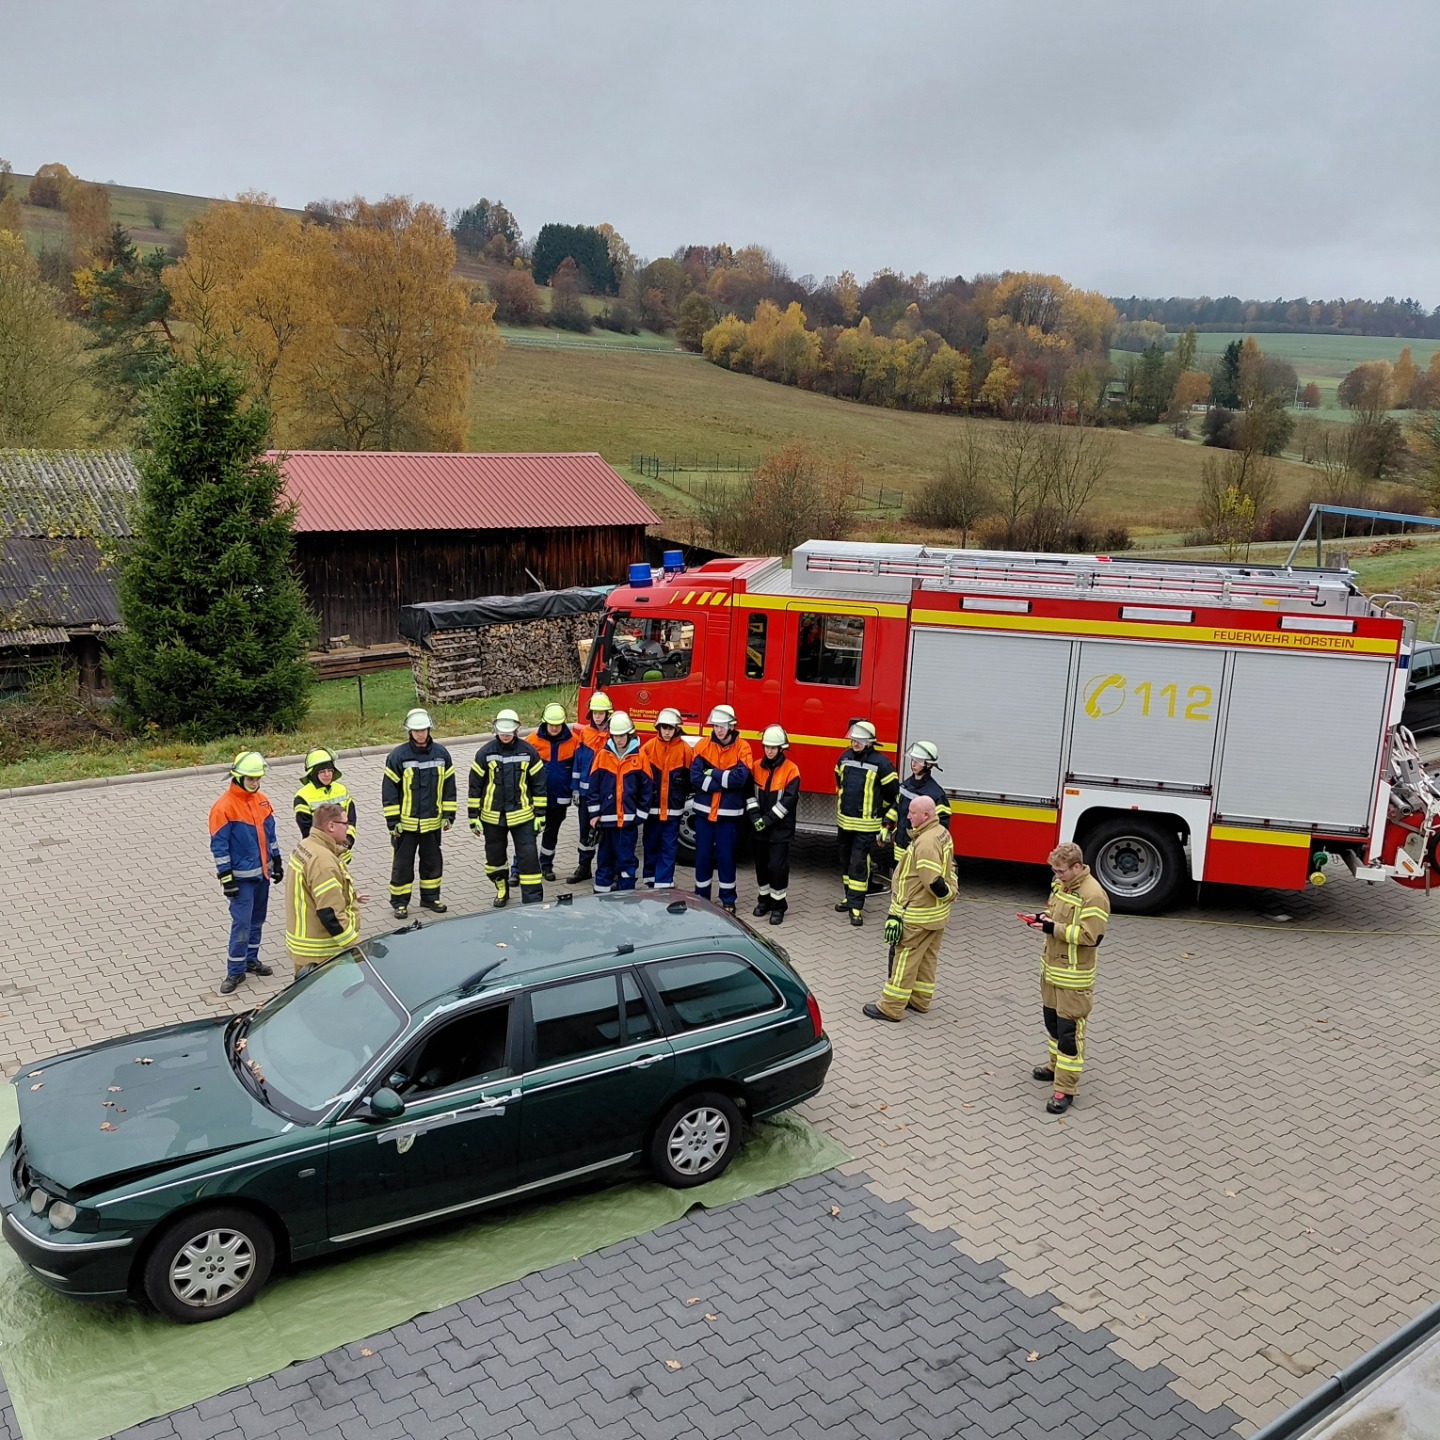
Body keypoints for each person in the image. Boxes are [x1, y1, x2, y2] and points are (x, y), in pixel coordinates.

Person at [1022, 841, 1111, 1114]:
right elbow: (1055, 915)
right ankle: (1054, 1066)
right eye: (1055, 871)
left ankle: (1065, 1089)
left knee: (1069, 1034)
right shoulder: (1063, 885)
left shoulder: (1093, 895)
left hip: (1074, 978)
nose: (1056, 876)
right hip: (1051, 970)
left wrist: (1053, 927)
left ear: (1076, 867)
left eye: (1061, 871)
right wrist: (1042, 919)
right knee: (1052, 1024)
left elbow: (1090, 936)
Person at [864, 795, 955, 1023]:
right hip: (935, 914)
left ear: (926, 815)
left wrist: (948, 894)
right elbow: (950, 868)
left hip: (917, 914)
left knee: (905, 958)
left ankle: (891, 1007)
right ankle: (920, 1000)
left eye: (912, 813)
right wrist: (949, 896)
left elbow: (933, 881)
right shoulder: (942, 833)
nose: (907, 816)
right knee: (927, 958)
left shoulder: (925, 843)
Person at [208, 751, 282, 995]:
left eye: (258, 778)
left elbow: (270, 836)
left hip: (262, 874)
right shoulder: (224, 807)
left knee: (257, 919)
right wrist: (226, 878)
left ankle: (251, 959)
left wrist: (277, 861)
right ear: (238, 778)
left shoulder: (262, 801)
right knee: (241, 922)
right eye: (251, 778)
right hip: (241, 879)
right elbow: (219, 847)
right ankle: (235, 971)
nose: (255, 783)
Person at [381, 708, 456, 918]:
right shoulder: (398, 756)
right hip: (406, 825)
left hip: (432, 823)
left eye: (423, 730)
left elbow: (449, 788)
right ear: (409, 732)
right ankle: (399, 902)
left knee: (432, 862)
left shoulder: (442, 755)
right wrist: (392, 821)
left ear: (429, 729)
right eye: (416, 730)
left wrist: (449, 815)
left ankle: (430, 898)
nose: (420, 734)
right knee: (402, 865)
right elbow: (389, 791)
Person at [469, 708, 547, 907]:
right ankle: (502, 889)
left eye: (508, 731)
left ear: (517, 730)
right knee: (495, 859)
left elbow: (539, 784)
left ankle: (533, 901)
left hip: (522, 816)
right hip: (492, 817)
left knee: (528, 859)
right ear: (496, 731)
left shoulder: (528, 752)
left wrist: (540, 814)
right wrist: (473, 816)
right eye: (502, 732)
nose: (505, 735)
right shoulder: (485, 753)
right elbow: (475, 786)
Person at [285, 801, 365, 975]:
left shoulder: (306, 846)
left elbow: (314, 890)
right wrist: (357, 947)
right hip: (323, 953)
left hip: (304, 947)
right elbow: (330, 914)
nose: (348, 828)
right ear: (330, 826)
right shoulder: (323, 862)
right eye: (345, 823)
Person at [834, 719, 898, 927]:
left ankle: (856, 907)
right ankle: (848, 896)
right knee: (845, 861)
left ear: (870, 742)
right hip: (845, 822)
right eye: (854, 739)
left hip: (866, 825)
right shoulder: (844, 758)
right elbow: (839, 781)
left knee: (859, 864)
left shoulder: (882, 763)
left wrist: (881, 815)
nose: (855, 743)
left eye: (860, 740)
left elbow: (892, 793)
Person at [689, 704, 753, 915]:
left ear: (732, 725)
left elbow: (741, 779)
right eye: (716, 725)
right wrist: (724, 782)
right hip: (704, 813)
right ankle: (701, 897)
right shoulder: (702, 745)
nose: (719, 730)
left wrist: (713, 773)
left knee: (726, 858)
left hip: (728, 816)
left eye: (723, 726)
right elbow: (695, 777)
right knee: (703, 857)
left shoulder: (743, 747)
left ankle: (728, 900)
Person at [587, 711, 651, 893]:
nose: (619, 740)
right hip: (606, 822)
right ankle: (601, 895)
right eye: (616, 736)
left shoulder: (640, 758)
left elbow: (647, 789)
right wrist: (594, 814)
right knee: (605, 860)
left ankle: (626, 898)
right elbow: (593, 788)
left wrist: (640, 815)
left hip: (628, 822)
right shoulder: (602, 756)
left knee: (627, 861)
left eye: (622, 735)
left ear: (629, 734)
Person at [746, 724, 802, 926]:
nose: (769, 751)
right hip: (759, 828)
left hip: (780, 830)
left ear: (781, 748)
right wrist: (754, 817)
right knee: (761, 866)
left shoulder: (791, 770)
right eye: (766, 747)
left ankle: (779, 906)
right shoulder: (755, 766)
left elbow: (788, 801)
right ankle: (764, 901)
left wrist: (766, 820)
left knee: (776, 867)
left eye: (773, 747)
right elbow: (749, 794)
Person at [875, 741, 950, 884]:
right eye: (913, 759)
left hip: (919, 852)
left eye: (918, 761)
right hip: (900, 849)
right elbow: (895, 810)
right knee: (899, 886)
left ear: (928, 765)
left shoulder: (935, 795)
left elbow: (941, 826)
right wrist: (885, 828)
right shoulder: (905, 786)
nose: (913, 764)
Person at [639, 708, 691, 890]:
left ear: (677, 728)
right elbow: (640, 779)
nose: (667, 731)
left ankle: (664, 884)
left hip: (673, 812)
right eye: (664, 728)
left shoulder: (685, 750)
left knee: (669, 849)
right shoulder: (648, 748)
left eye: (670, 728)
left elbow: (691, 780)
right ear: (658, 728)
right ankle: (649, 880)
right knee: (650, 845)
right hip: (652, 811)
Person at [528, 703, 579, 883]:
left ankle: (546, 865)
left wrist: (576, 789)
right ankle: (519, 869)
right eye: (551, 724)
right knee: (527, 835)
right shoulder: (532, 740)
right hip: (537, 799)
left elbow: (577, 768)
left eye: (558, 724)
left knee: (551, 833)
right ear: (544, 723)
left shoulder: (573, 740)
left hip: (560, 799)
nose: (555, 728)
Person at [567, 691, 613, 885]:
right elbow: (578, 763)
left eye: (601, 713)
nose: (598, 716)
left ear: (608, 714)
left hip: (607, 794)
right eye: (595, 712)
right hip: (586, 794)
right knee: (585, 831)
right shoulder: (585, 733)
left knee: (608, 833)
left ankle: (610, 869)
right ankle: (584, 867)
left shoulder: (614, 734)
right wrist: (575, 789)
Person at [293, 747, 356, 863]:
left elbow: (351, 819)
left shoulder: (342, 790)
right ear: (313, 773)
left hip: (342, 855)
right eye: (322, 771)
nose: (327, 774)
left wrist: (349, 839)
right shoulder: (303, 796)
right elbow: (307, 829)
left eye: (329, 770)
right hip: (320, 857)